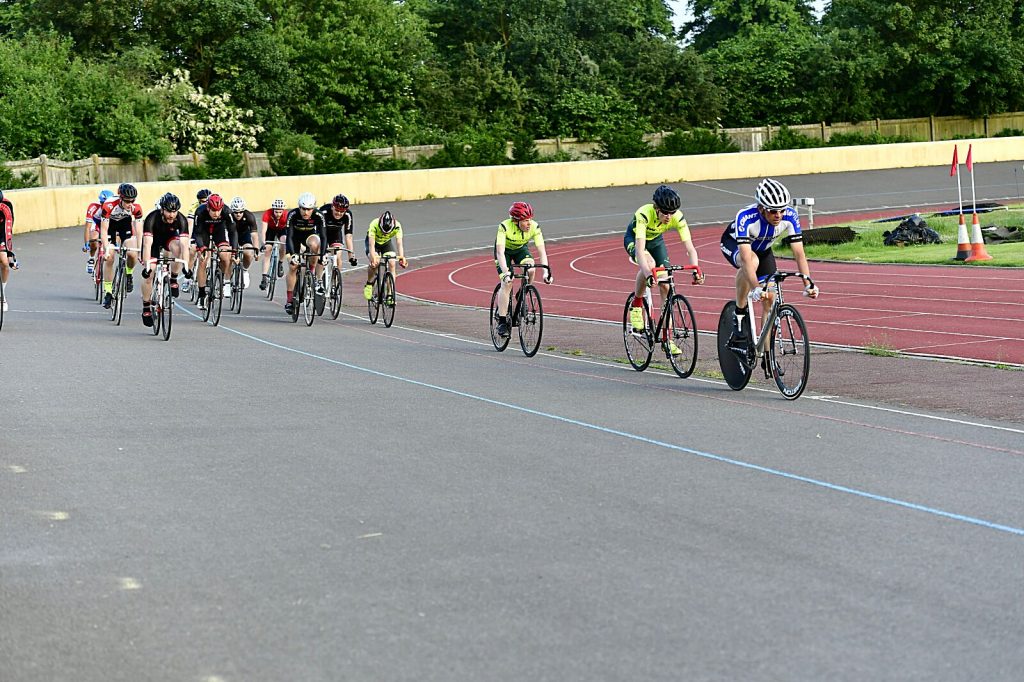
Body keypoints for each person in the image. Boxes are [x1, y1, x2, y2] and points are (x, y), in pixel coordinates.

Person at [720, 177, 819, 346]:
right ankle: (739, 313)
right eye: (773, 211)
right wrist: (755, 288)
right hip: (734, 245)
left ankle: (767, 355)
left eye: (782, 210)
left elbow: (799, 253)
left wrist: (808, 284)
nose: (778, 215)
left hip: (764, 251)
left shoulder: (790, 216)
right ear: (761, 208)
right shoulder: (745, 217)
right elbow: (746, 259)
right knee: (752, 261)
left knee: (770, 299)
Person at [624, 185, 703, 355]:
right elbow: (640, 251)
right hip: (635, 240)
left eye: (672, 212)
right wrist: (648, 274)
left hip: (656, 241)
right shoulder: (644, 214)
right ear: (657, 208)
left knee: (666, 286)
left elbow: (690, 248)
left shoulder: (677, 217)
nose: (669, 216)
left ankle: (668, 340)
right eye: (665, 212)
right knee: (650, 263)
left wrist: (696, 270)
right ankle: (636, 305)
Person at [492, 201, 552, 337]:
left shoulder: (535, 227)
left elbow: (542, 251)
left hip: (520, 250)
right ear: (515, 221)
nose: (529, 223)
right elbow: (500, 253)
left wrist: (546, 272)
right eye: (525, 220)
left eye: (530, 219)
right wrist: (506, 273)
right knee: (507, 283)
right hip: (504, 252)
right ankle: (502, 322)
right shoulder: (504, 226)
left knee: (531, 268)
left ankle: (522, 293)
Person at [139, 193, 190, 327]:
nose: (172, 215)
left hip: (169, 239)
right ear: (162, 210)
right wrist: (147, 266)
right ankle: (146, 307)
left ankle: (173, 279)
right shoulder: (152, 218)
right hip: (153, 242)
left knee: (178, 248)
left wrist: (186, 266)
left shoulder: (181, 219)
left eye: (174, 211)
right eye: (168, 211)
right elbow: (147, 244)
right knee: (150, 273)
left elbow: (185, 245)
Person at [100, 183, 143, 309]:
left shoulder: (136, 208)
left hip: (125, 225)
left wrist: (140, 250)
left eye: (132, 201)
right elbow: (104, 230)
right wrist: (106, 249)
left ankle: (129, 273)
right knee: (110, 258)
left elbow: (139, 231)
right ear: (120, 198)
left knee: (132, 253)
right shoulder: (108, 205)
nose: (130, 204)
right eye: (127, 201)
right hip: (111, 226)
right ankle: (108, 292)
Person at [283, 192, 326, 316]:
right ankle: (289, 300)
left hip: (310, 236)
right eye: (303, 209)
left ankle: (311, 272)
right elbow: (289, 237)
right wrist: (293, 255)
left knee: (315, 245)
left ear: (313, 209)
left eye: (309, 209)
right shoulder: (293, 214)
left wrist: (322, 256)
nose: (306, 212)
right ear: (299, 207)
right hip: (294, 239)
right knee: (293, 266)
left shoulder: (319, 215)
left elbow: (323, 237)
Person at [192, 193, 236, 310]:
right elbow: (197, 233)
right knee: (203, 260)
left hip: (219, 231)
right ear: (208, 208)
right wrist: (202, 248)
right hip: (203, 232)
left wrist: (234, 251)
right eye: (213, 211)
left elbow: (233, 232)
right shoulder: (200, 211)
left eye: (218, 210)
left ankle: (221, 278)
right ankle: (202, 295)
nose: (216, 213)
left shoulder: (227, 211)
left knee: (225, 256)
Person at [363, 210, 407, 303]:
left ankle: (390, 294)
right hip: (373, 243)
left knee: (392, 263)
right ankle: (369, 283)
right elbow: (371, 245)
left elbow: (399, 243)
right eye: (383, 231)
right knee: (375, 263)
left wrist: (402, 257)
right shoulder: (374, 224)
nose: (385, 234)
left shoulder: (397, 226)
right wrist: (373, 258)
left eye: (387, 233)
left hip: (386, 243)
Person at [319, 193, 358, 272]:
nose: (339, 213)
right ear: (332, 207)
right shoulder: (323, 211)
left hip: (335, 234)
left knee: (337, 256)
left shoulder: (347, 215)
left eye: (342, 211)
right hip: (321, 233)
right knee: (321, 257)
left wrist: (351, 256)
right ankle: (318, 276)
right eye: (337, 210)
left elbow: (348, 236)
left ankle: (337, 277)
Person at [182, 188, 212, 293]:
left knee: (208, 252)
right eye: (203, 201)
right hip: (197, 230)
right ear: (199, 201)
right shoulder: (194, 208)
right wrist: (189, 240)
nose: (205, 204)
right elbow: (190, 225)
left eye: (207, 201)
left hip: (208, 230)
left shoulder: (212, 207)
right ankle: (187, 277)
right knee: (192, 251)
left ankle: (206, 271)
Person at [228, 196, 259, 289]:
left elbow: (254, 234)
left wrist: (256, 250)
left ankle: (245, 271)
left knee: (249, 253)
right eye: (236, 212)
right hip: (231, 236)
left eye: (241, 212)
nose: (238, 214)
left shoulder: (249, 216)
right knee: (227, 254)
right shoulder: (228, 216)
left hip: (244, 236)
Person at [259, 198, 288, 290]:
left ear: (283, 211)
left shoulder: (287, 215)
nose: (278, 214)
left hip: (282, 230)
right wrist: (263, 243)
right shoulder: (267, 214)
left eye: (280, 212)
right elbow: (263, 231)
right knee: (267, 250)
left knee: (284, 241)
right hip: (270, 230)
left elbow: (290, 230)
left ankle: (280, 262)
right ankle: (264, 277)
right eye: (276, 212)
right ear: (273, 210)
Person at [84, 189, 114, 275]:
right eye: (103, 203)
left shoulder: (115, 208)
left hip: (108, 223)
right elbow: (88, 227)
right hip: (96, 222)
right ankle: (91, 258)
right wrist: (86, 242)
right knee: (94, 238)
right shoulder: (93, 207)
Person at [0, 189, 15, 312]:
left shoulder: (6, 206)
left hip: (1, 232)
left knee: (4, 263)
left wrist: (9, 253)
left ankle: (2, 296)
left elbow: (7, 231)